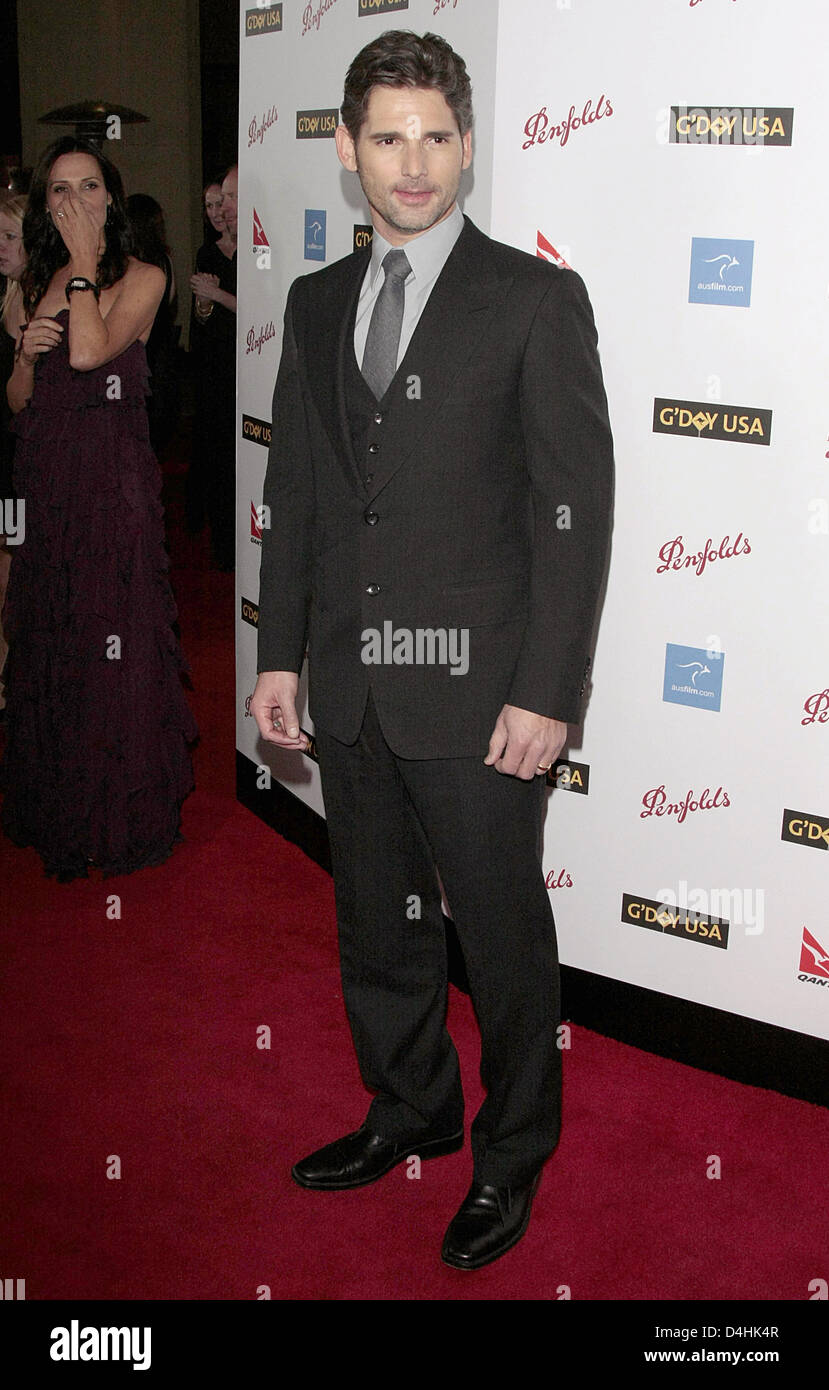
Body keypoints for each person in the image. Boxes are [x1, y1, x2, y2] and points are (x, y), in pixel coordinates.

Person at [251, 30, 614, 1270]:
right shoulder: (309, 304)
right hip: (350, 686)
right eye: (389, 138)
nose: (415, 166)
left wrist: (547, 692)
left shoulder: (532, 299)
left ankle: (512, 1157)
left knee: (502, 940)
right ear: (348, 148)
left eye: (438, 137)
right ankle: (411, 1110)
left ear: (468, 144)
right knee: (379, 925)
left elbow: (573, 515)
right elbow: (298, 491)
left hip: (481, 701)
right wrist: (282, 653)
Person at [1, 136, 197, 881]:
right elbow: (20, 405)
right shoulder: (34, 284)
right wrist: (22, 357)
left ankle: (117, 813)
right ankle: (61, 803)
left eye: (88, 187)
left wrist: (82, 269)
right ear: (46, 204)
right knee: (54, 640)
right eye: (58, 190)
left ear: (109, 198)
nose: (74, 202)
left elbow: (89, 354)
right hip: (48, 490)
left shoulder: (144, 275)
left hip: (110, 496)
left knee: (108, 645)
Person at [189, 167, 237, 568]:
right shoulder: (206, 253)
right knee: (219, 456)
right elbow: (201, 318)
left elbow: (259, 311)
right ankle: (223, 547)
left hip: (250, 363)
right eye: (209, 205)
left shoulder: (258, 247)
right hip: (216, 367)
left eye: (222, 202)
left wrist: (217, 295)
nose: (217, 211)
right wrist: (204, 304)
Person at [0, 191, 28, 713]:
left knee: (13, 574)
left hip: (22, 461)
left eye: (9, 237)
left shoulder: (45, 300)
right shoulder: (4, 294)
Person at [126, 193, 180, 453]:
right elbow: (171, 302)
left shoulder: (122, 267)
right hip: (160, 359)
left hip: (135, 361)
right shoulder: (164, 262)